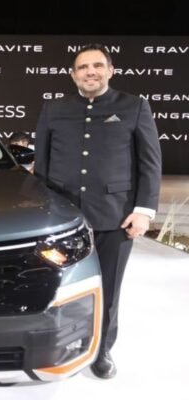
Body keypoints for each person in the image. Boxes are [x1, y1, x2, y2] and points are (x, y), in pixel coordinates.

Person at [34, 43, 161, 379]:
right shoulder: (53, 109)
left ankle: (101, 349)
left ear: (110, 70)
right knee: (56, 287)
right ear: (73, 74)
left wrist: (143, 211)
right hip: (63, 220)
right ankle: (55, 346)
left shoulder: (134, 106)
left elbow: (150, 164)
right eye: (83, 67)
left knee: (108, 290)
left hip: (115, 218)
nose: (90, 72)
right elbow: (42, 166)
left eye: (97, 66)